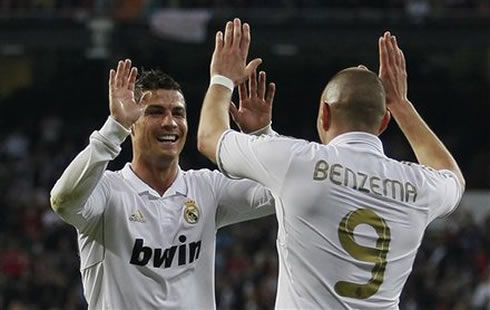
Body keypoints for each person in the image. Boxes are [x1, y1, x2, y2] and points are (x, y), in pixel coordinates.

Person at [197, 18, 465, 309]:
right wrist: (401, 103)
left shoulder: (297, 160)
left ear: (324, 114)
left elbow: (210, 137)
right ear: (385, 122)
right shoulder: (418, 186)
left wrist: (222, 79)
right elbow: (452, 177)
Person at [49, 58, 277, 309]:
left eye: (178, 113)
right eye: (156, 112)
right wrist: (113, 130)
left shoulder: (207, 189)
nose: (170, 122)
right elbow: (63, 201)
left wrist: (261, 137)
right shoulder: (107, 191)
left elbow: (280, 192)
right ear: (131, 125)